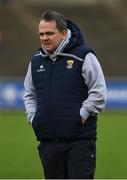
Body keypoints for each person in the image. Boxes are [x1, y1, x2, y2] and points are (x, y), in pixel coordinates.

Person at [23, 10, 107, 179]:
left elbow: (99, 92)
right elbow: (29, 95)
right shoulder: (36, 61)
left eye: (49, 33)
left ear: (63, 33)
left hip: (80, 143)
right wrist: (34, 117)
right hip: (48, 144)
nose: (44, 38)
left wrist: (81, 115)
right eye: (41, 34)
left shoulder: (84, 56)